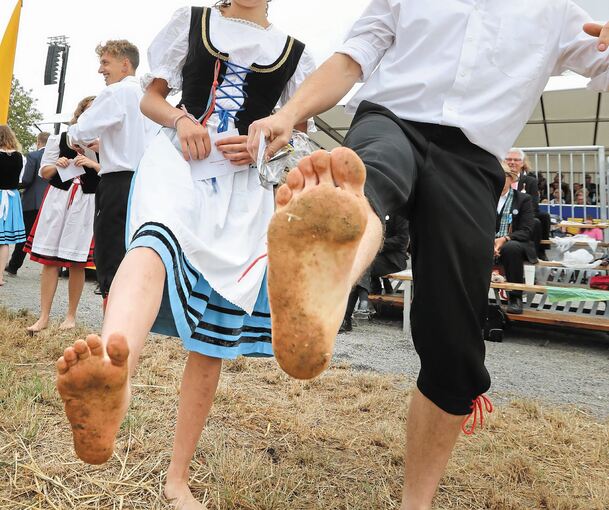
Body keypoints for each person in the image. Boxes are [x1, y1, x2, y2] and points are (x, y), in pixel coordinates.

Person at [244, 2, 609, 508]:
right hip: (392, 120)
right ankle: (329, 276)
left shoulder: (559, 12)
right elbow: (353, 58)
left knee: (454, 350)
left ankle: (417, 502)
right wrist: (288, 113)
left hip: (474, 157)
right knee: (367, 182)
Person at [55, 2, 314, 508]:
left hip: (243, 192)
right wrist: (180, 122)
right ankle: (113, 373)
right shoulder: (194, 22)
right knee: (151, 244)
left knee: (216, 326)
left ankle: (178, 477)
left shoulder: (294, 53)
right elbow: (151, 98)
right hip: (179, 162)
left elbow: (296, 133)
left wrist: (268, 145)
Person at [67, 40, 155, 305]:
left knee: (111, 256)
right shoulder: (151, 97)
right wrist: (106, 145)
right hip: (147, 183)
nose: (100, 70)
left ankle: (112, 334)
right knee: (136, 253)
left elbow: (81, 130)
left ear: (125, 64)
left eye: (105, 63)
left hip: (118, 183)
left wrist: (75, 137)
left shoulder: (116, 92)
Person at [23, 98, 100, 333]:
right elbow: (44, 172)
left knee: (77, 262)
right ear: (80, 114)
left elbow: (113, 172)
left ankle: (71, 316)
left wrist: (93, 164)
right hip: (58, 198)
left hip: (86, 200)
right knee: (49, 260)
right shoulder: (60, 138)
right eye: (87, 111)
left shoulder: (107, 142)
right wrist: (59, 164)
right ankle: (43, 316)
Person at [340, 211, 409, 332]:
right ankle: (363, 303)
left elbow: (402, 240)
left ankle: (348, 317)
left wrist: (376, 244)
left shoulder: (400, 212)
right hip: (373, 257)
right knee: (360, 264)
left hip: (393, 259)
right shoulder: (377, 209)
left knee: (361, 265)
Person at [6, 132, 50, 276]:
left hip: (33, 201)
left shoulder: (33, 156)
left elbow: (27, 179)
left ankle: (13, 266)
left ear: (39, 142)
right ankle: (49, 269)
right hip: (50, 201)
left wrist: (13, 185)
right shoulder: (56, 157)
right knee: (49, 236)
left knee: (24, 237)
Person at [495, 168, 537, 314]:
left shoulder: (523, 199)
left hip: (514, 242)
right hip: (488, 241)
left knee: (511, 248)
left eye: (504, 175)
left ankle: (515, 297)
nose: (499, 178)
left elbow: (526, 230)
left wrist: (505, 239)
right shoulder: (485, 197)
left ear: (511, 179)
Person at [505, 148, 549, 259]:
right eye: (509, 159)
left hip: (523, 214)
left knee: (540, 219)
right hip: (503, 213)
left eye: (516, 160)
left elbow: (534, 205)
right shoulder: (498, 178)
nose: (512, 162)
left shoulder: (530, 181)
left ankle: (539, 252)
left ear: (523, 163)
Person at [0, 125, 26, 285]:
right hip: (11, 197)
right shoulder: (20, 157)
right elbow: (20, 179)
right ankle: (0, 276)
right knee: (4, 240)